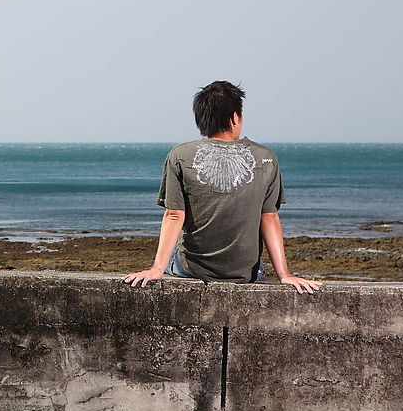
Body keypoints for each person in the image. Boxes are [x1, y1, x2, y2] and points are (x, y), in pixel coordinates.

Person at [123, 81, 322, 294]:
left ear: (201, 119)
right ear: (235, 117)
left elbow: (173, 215)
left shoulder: (180, 155)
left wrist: (156, 269)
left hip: (193, 269)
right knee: (259, 268)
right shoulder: (265, 158)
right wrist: (285, 274)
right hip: (246, 272)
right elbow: (269, 217)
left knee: (178, 259)